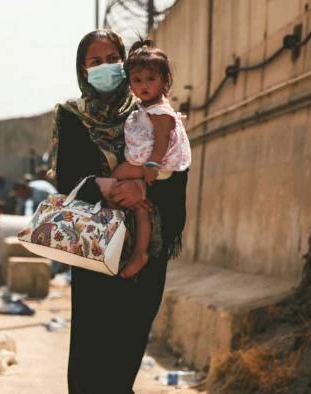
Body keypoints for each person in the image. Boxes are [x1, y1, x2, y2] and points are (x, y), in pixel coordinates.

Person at [51, 29, 188, 393]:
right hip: (96, 249)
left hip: (146, 250)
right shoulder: (72, 116)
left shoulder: (151, 111)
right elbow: (67, 178)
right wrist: (108, 186)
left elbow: (177, 168)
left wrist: (143, 186)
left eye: (113, 59)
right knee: (90, 351)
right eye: (96, 62)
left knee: (128, 345)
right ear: (83, 69)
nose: (106, 67)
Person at [110, 40, 191, 279]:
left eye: (150, 79)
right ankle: (140, 252)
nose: (143, 85)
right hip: (149, 163)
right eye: (137, 80)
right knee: (141, 207)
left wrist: (152, 165)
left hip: (154, 164)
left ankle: (116, 221)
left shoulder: (160, 112)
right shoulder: (147, 107)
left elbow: (162, 141)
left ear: (165, 80)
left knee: (114, 179)